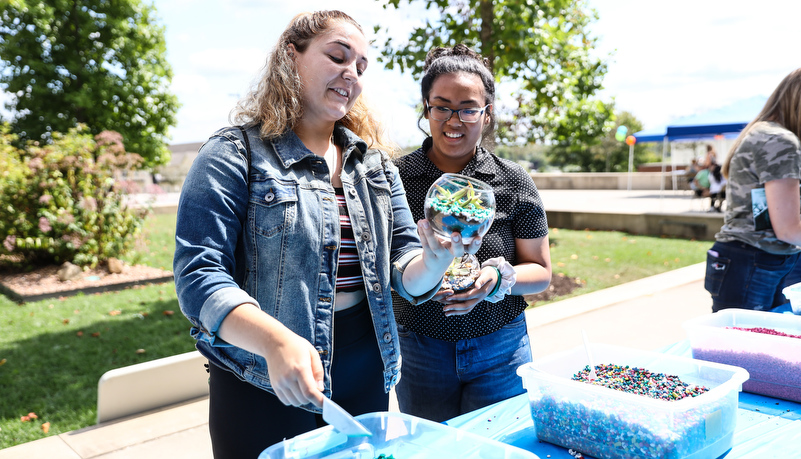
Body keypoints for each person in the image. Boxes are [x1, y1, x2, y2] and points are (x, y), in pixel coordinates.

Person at [173, 11, 464, 457]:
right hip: (259, 378)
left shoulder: (375, 166)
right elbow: (198, 276)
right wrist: (275, 342)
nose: (352, 73)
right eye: (337, 56)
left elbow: (405, 270)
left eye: (362, 67)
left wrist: (435, 262)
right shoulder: (234, 153)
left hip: (365, 373)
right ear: (293, 57)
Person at [391, 44, 552, 422]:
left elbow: (541, 271)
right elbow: (385, 265)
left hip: (501, 349)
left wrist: (497, 278)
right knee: (431, 450)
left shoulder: (513, 181)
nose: (454, 120)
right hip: (420, 349)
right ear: (426, 109)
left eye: (468, 108)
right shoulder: (394, 179)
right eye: (441, 106)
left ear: (487, 113)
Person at [705, 67, 801, 313]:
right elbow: (788, 229)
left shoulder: (763, 133)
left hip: (749, 260)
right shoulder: (781, 141)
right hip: (755, 262)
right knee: (740, 349)